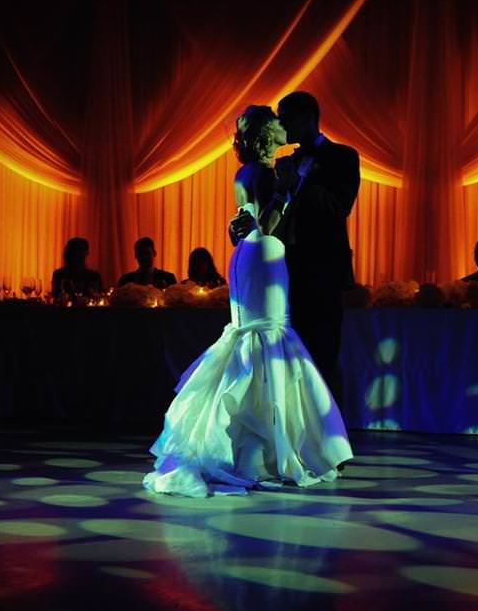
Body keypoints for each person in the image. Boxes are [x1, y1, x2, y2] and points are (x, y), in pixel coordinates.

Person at [144, 105, 353, 497]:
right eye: (276, 122)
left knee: (255, 335)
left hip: (251, 254)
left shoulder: (249, 171)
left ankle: (256, 444)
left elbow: (246, 225)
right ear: (264, 134)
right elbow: (267, 223)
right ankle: (265, 449)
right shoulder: (263, 173)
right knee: (265, 336)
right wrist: (292, 187)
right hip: (264, 253)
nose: (282, 125)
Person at [228, 91, 359, 411]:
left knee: (324, 354)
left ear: (307, 118)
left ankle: (330, 442)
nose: (281, 123)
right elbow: (265, 217)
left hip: (323, 271)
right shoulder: (280, 165)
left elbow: (339, 206)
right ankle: (292, 435)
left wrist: (302, 183)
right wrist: (242, 223)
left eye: (285, 116)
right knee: (288, 358)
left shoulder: (343, 156)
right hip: (284, 272)